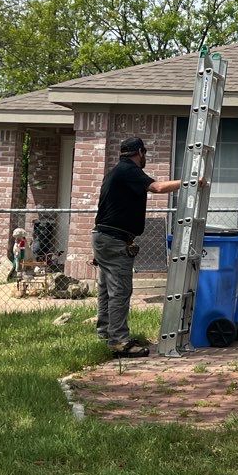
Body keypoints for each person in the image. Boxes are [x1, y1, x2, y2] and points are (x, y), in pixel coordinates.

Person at [93, 136, 184, 357]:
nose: (145, 158)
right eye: (145, 154)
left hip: (104, 237)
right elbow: (158, 187)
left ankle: (105, 334)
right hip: (114, 240)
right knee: (120, 291)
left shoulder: (116, 172)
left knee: (106, 289)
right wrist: (189, 182)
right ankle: (119, 342)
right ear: (140, 152)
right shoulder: (129, 170)